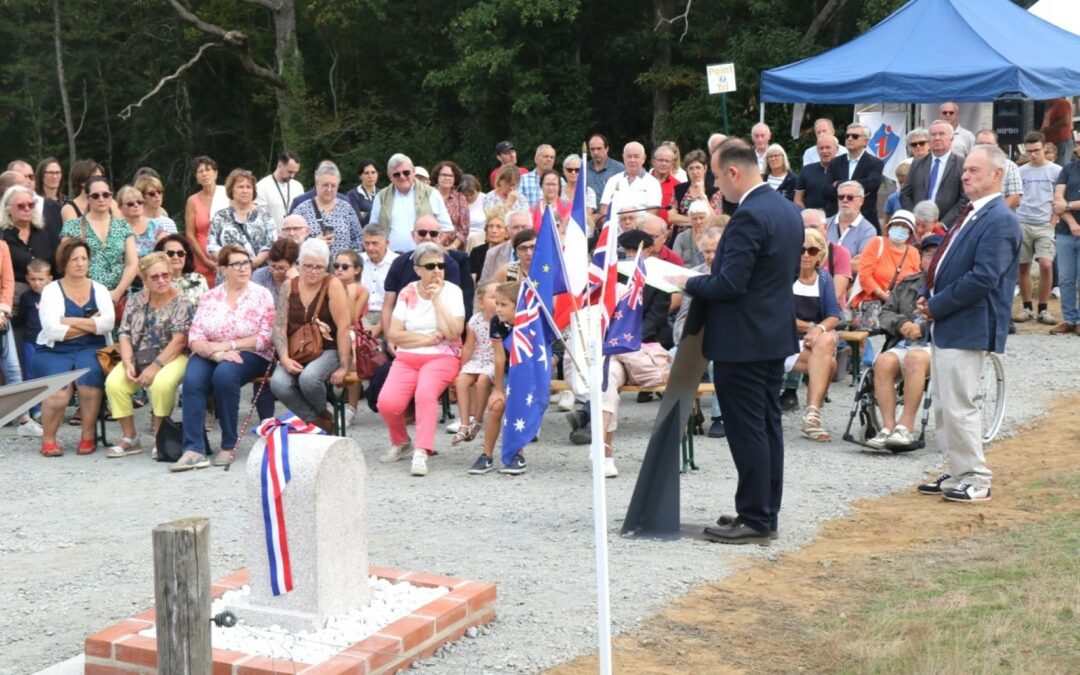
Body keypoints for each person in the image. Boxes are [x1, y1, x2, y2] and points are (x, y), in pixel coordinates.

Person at [670, 138, 802, 545]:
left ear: (732, 172)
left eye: (715, 175)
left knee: (748, 430)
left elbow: (730, 283)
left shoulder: (748, 216)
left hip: (743, 340)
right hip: (771, 334)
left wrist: (685, 281)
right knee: (766, 426)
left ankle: (756, 517)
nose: (714, 184)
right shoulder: (787, 210)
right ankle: (763, 510)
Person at [916, 144, 1020, 502]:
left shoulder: (1000, 219)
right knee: (944, 403)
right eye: (966, 169)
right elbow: (948, 262)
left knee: (959, 403)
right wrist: (929, 296)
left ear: (997, 175)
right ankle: (957, 469)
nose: (965, 174)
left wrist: (937, 305)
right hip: (949, 319)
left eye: (975, 170)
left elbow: (983, 277)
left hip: (969, 321)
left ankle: (976, 477)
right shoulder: (972, 213)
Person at [176, 244, 275, 471]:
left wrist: (229, 346)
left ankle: (229, 443)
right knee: (192, 378)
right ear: (222, 269)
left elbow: (264, 338)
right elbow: (195, 336)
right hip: (212, 352)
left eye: (246, 263)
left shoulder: (261, 295)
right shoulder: (210, 296)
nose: (243, 268)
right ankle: (194, 448)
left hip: (251, 353)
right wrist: (217, 352)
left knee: (225, 375)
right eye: (236, 264)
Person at [377, 242, 465, 477]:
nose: (437, 270)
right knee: (387, 403)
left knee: (425, 394)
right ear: (418, 269)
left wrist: (437, 301)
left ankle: (422, 451)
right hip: (409, 357)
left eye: (440, 265)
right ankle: (402, 441)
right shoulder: (407, 291)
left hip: (443, 357)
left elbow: (454, 333)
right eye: (430, 266)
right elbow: (394, 334)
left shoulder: (452, 292)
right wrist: (426, 339)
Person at [104, 253, 194, 459]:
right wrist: (127, 362)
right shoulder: (135, 299)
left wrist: (155, 366)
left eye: (165, 274)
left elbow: (179, 341)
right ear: (144, 279)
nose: (161, 280)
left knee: (161, 384)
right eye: (154, 277)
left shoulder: (182, 301)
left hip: (173, 355)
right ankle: (130, 438)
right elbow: (124, 333)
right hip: (139, 355)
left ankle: (159, 437)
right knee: (115, 383)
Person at [34, 239, 115, 457]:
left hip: (92, 347)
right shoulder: (51, 290)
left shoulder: (99, 289)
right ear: (64, 263)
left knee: (88, 387)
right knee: (60, 393)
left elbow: (107, 324)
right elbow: (52, 330)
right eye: (74, 259)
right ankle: (49, 439)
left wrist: (68, 320)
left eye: (84, 259)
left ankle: (88, 436)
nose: (80, 264)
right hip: (55, 349)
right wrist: (90, 325)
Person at [866, 235, 942, 450]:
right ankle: (888, 427)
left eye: (937, 253)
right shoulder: (907, 284)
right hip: (905, 342)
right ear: (920, 258)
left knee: (914, 359)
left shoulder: (953, 286)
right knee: (882, 362)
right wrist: (902, 324)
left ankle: (905, 426)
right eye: (928, 253)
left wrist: (924, 328)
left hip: (935, 344)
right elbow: (886, 312)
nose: (932, 257)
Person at [270, 238, 351, 431]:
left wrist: (344, 366)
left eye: (319, 267)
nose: (314, 272)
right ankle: (320, 419)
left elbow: (344, 327)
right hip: (297, 349)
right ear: (298, 265)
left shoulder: (333, 284)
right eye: (308, 266)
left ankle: (318, 420)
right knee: (278, 383)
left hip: (327, 348)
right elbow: (279, 326)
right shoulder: (289, 286)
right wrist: (284, 358)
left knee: (309, 378)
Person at [60, 176, 139, 313]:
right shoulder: (72, 227)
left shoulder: (123, 226)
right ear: (88, 198)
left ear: (111, 196)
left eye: (106, 194)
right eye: (96, 196)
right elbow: (65, 262)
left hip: (119, 299)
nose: (101, 199)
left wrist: (117, 292)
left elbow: (132, 263)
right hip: (84, 298)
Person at [466, 280, 518, 475]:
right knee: (496, 405)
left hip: (527, 373)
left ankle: (516, 455)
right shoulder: (496, 322)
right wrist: (498, 389)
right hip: (507, 371)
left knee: (516, 407)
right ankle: (486, 456)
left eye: (503, 305)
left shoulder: (529, 321)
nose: (498, 309)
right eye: (496, 303)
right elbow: (499, 356)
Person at [1014, 131, 1062, 326]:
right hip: (1023, 221)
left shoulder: (1056, 171)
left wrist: (1053, 221)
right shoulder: (1020, 171)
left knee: (1046, 264)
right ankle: (1027, 307)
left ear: (1044, 148)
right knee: (1023, 265)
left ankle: (1043, 308)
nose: (1033, 155)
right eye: (1029, 151)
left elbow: (1059, 197)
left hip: (1045, 223)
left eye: (1037, 151)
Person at [369, 154, 453, 253]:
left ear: (413, 172)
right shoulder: (381, 197)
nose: (402, 177)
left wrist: (431, 246)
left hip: (423, 256)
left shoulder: (431, 194)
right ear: (390, 177)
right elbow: (373, 229)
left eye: (406, 172)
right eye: (397, 174)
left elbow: (446, 228)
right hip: (391, 257)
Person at [451, 281, 497, 446]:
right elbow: (469, 347)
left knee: (483, 380)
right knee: (462, 380)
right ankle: (464, 423)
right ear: (481, 302)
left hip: (494, 361)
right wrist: (463, 367)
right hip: (478, 359)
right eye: (492, 297)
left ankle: (477, 420)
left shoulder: (503, 320)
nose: (497, 300)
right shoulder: (475, 320)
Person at [206, 169, 275, 275]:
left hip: (259, 274)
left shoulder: (265, 216)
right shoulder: (220, 216)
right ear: (231, 190)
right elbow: (211, 245)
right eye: (240, 187)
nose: (245, 191)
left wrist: (254, 263)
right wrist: (231, 262)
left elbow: (271, 243)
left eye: (248, 187)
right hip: (228, 273)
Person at [849, 210, 921, 312]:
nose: (900, 228)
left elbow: (915, 283)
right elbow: (864, 275)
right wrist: (884, 296)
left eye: (905, 226)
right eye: (896, 224)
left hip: (899, 309)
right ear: (889, 226)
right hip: (873, 305)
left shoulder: (913, 253)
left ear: (910, 232)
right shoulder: (876, 243)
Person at [900, 119, 967, 226]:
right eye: (933, 134)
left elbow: (965, 198)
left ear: (952, 138)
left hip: (946, 228)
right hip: (918, 225)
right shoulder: (917, 164)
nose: (937, 138)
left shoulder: (962, 165)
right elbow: (905, 194)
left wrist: (943, 223)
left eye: (942, 134)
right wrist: (915, 217)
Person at [292, 163, 362, 259]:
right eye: (325, 185)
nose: (329, 189)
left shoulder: (346, 208)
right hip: (312, 266)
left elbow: (358, 238)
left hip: (341, 269)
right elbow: (291, 242)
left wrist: (350, 260)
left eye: (333, 186)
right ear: (316, 184)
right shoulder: (302, 210)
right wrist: (313, 243)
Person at [826, 123, 884, 228]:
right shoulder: (835, 162)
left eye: (855, 136)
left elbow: (871, 184)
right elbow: (826, 190)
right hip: (836, 219)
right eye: (847, 136)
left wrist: (839, 183)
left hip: (865, 219)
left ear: (865, 141)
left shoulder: (875, 163)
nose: (850, 139)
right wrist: (857, 193)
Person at [15, 258, 51, 428]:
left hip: (49, 342)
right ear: (27, 278)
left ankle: (49, 408)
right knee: (30, 376)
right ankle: (35, 409)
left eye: (41, 279)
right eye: (33, 279)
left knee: (49, 375)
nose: (37, 283)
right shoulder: (26, 297)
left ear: (49, 278)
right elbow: (21, 318)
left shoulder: (54, 295)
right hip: (30, 341)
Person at [1, 185, 55, 297]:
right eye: (21, 206)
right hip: (12, 299)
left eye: (31, 205)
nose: (27, 209)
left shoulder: (44, 234)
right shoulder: (2, 236)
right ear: (8, 209)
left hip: (44, 296)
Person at [184, 156, 229, 288]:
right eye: (200, 171)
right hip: (202, 258)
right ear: (196, 177)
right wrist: (204, 259)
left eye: (208, 170)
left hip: (226, 254)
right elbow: (190, 234)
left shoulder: (227, 194)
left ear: (215, 173)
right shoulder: (192, 201)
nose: (204, 174)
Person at [1051, 150, 1080, 335]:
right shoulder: (1068, 169)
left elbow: (1064, 204)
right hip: (1066, 232)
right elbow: (1057, 200)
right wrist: (1073, 223)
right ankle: (1069, 319)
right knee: (1065, 278)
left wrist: (1068, 205)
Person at [598, 142, 662, 221]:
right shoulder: (613, 180)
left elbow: (652, 213)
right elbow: (604, 209)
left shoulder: (653, 183)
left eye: (636, 156)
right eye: (629, 156)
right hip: (615, 229)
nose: (632, 160)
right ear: (623, 157)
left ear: (644, 158)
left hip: (640, 230)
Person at [359, 224, 397, 339]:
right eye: (367, 243)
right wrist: (362, 323)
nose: (370, 248)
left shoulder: (397, 263)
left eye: (375, 243)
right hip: (361, 315)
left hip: (389, 315)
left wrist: (379, 327)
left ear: (387, 243)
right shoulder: (356, 261)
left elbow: (399, 301)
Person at [826, 181, 878, 263]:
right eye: (841, 197)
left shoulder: (868, 230)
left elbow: (860, 264)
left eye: (850, 197)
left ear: (861, 200)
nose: (845, 200)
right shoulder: (825, 224)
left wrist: (826, 262)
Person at [154, 234, 209, 308]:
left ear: (186, 257)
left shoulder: (198, 279)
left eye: (180, 253)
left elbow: (207, 309)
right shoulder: (154, 281)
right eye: (170, 253)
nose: (176, 257)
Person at [255, 150, 303, 232]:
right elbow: (260, 219)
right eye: (290, 171)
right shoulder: (261, 187)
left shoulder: (298, 186)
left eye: (295, 173)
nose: (292, 176)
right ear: (279, 165)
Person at [670, 149, 718, 228]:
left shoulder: (714, 191)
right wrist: (698, 221)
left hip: (706, 235)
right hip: (682, 235)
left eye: (698, 167)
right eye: (691, 168)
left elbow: (715, 220)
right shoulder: (679, 189)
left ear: (705, 168)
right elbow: (672, 217)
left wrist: (703, 195)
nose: (695, 172)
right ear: (687, 171)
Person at [794, 134, 840, 215]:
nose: (824, 151)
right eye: (821, 148)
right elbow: (798, 200)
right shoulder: (806, 170)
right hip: (812, 220)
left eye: (828, 147)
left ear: (836, 149)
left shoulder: (845, 169)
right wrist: (807, 215)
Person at [117, 185, 167, 257]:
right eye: (130, 204)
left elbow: (166, 250)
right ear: (120, 207)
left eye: (140, 202)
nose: (136, 205)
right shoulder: (116, 229)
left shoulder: (155, 226)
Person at [432, 161, 471, 249]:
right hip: (430, 245)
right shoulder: (429, 195)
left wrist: (453, 246)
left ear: (455, 178)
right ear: (437, 176)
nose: (447, 178)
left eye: (451, 176)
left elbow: (464, 228)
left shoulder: (460, 199)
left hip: (454, 247)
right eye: (444, 175)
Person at [250, 237, 299, 306]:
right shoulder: (259, 276)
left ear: (293, 265)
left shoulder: (302, 277)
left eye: (281, 268)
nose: (275, 272)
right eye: (273, 266)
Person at [560, 155, 597, 231]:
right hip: (561, 227)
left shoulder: (589, 191)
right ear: (564, 171)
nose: (573, 172)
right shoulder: (558, 190)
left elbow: (588, 213)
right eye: (570, 170)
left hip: (582, 227)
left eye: (577, 170)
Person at [470, 208, 507, 281]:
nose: (494, 230)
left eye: (499, 227)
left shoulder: (511, 252)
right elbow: (472, 281)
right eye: (490, 226)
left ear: (507, 232)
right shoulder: (477, 252)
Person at [672, 200, 712, 267]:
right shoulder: (681, 237)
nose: (698, 221)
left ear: (707, 218)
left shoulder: (713, 237)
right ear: (690, 219)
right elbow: (674, 263)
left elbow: (708, 265)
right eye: (694, 219)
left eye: (701, 218)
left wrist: (700, 247)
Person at [649, 144, 682, 225]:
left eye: (667, 161)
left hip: (668, 233)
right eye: (660, 160)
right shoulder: (643, 183)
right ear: (653, 162)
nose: (663, 164)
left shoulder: (678, 186)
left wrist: (669, 231)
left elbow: (680, 213)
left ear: (672, 164)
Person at [586, 134, 625, 199]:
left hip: (611, 208)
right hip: (588, 209)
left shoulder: (619, 169)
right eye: (592, 149)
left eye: (599, 148)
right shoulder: (584, 169)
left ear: (607, 149)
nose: (595, 152)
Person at [344, 158, 379, 226]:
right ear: (360, 176)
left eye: (373, 172)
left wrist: (365, 214)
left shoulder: (382, 194)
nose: (370, 176)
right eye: (366, 173)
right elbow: (355, 219)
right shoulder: (352, 195)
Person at [1040, 97, 1074, 163]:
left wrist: (1049, 130)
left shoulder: (1062, 103)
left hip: (1061, 141)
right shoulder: (1050, 106)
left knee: (1061, 165)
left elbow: (1065, 121)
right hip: (1052, 142)